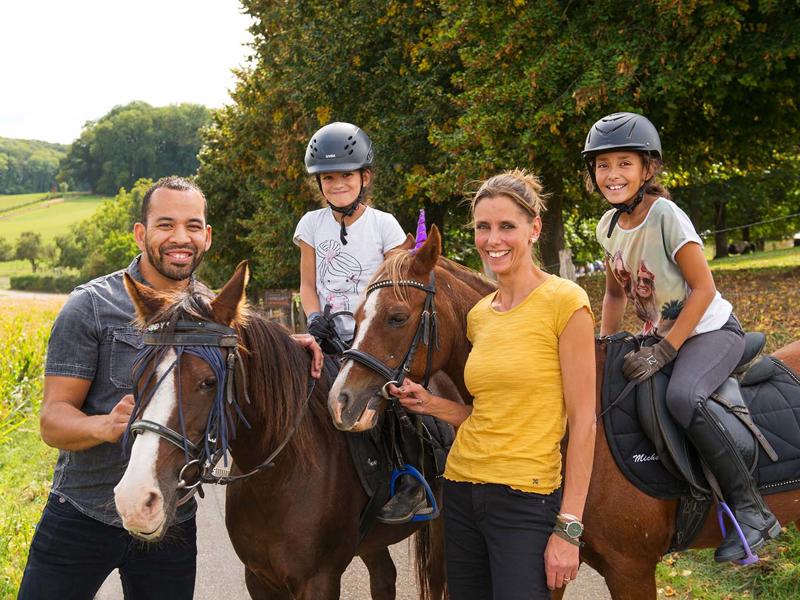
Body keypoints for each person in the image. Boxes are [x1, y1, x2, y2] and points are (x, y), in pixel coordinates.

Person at [18, 176, 323, 599]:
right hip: (83, 514)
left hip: (171, 519)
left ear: (207, 237)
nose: (180, 238)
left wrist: (290, 345)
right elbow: (52, 422)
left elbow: (248, 364)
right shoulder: (91, 305)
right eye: (165, 225)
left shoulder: (216, 314)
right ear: (141, 233)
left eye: (193, 225)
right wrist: (104, 426)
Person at [388, 170, 597, 598]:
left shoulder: (566, 303)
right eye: (483, 227)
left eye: (506, 226)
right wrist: (429, 404)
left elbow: (584, 423)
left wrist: (569, 528)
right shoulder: (480, 314)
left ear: (534, 229)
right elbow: (484, 412)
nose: (492, 239)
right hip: (462, 490)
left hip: (526, 499)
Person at [583, 111, 781, 562]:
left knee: (683, 398)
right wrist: (603, 344)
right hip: (659, 338)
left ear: (647, 168)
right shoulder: (607, 228)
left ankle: (752, 510)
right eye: (602, 165)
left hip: (709, 330)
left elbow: (704, 288)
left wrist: (667, 350)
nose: (612, 175)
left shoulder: (666, 215)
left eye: (623, 163)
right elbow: (615, 293)